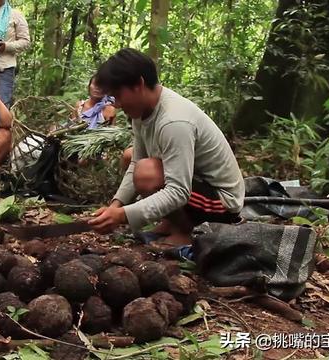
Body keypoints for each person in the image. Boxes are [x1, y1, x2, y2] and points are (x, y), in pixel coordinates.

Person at [88, 48, 245, 250]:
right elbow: (136, 160)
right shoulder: (140, 113)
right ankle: (172, 222)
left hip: (222, 203)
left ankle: (184, 232)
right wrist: (116, 205)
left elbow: (178, 191)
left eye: (118, 96)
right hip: (195, 188)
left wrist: (123, 216)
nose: (116, 104)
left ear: (139, 84)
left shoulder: (174, 121)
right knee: (132, 160)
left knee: (147, 173)